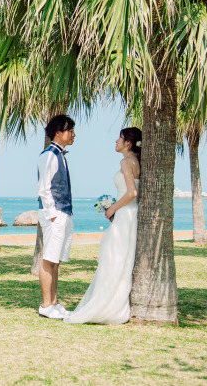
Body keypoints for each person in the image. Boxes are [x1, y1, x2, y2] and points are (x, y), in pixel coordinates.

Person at [64, 127, 142, 325]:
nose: (116, 141)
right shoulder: (138, 162)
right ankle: (115, 303)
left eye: (120, 138)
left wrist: (112, 208)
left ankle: (108, 306)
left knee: (113, 257)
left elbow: (132, 192)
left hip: (125, 214)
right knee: (120, 258)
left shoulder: (125, 162)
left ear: (128, 143)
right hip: (132, 215)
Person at [37, 114, 76, 319]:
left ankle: (53, 302)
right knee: (49, 260)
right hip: (55, 214)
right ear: (58, 132)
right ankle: (45, 305)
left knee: (56, 260)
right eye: (70, 130)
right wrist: (53, 216)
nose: (73, 134)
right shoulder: (49, 155)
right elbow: (44, 188)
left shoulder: (60, 155)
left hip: (64, 212)